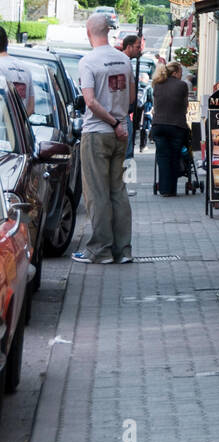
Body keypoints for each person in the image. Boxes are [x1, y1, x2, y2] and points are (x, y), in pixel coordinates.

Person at [73, 14, 134, 265]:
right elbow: (131, 98)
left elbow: (89, 101)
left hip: (98, 132)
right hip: (120, 135)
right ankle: (123, 250)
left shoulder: (88, 62)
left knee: (96, 192)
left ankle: (100, 250)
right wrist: (120, 123)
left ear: (89, 32)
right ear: (107, 32)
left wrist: (112, 122)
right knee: (117, 190)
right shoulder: (123, 59)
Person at [151, 61, 189, 197]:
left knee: (162, 157)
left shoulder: (157, 85)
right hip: (176, 126)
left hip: (158, 126)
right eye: (180, 72)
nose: (181, 75)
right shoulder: (182, 85)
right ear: (175, 72)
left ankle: (165, 189)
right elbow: (185, 106)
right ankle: (171, 189)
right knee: (174, 155)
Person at [120, 33, 143, 167]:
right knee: (127, 148)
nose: (139, 50)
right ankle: (125, 173)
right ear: (128, 47)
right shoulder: (125, 61)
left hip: (123, 110)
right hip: (122, 112)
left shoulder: (125, 61)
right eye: (137, 47)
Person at [0, 26, 35, 116]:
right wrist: (19, 126)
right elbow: (31, 107)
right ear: (7, 43)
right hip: (20, 128)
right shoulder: (25, 68)